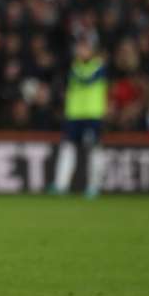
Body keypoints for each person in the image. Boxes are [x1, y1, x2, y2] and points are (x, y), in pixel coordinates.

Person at [50, 36, 108, 198]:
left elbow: (86, 80)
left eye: (84, 48)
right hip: (74, 115)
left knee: (93, 149)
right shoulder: (75, 67)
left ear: (91, 51)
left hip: (92, 115)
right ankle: (61, 185)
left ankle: (93, 186)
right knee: (67, 148)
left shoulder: (98, 67)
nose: (80, 51)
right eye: (79, 48)